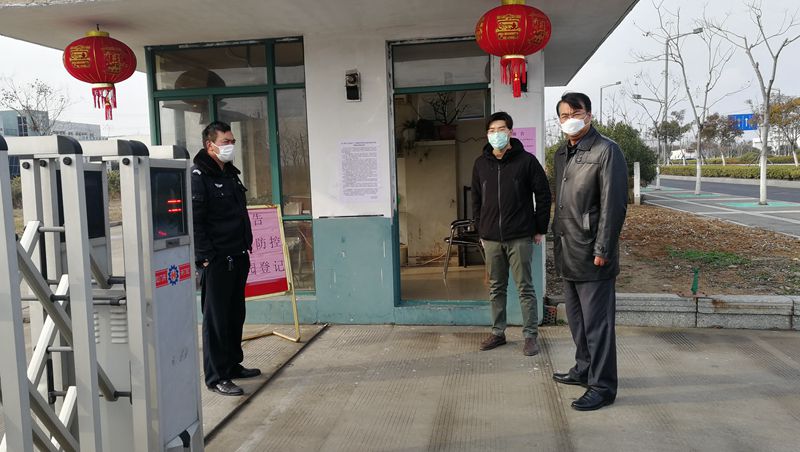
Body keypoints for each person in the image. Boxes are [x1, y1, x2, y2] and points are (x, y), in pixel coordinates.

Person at [551, 92, 628, 411]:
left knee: (598, 325)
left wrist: (603, 248)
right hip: (568, 249)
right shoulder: (562, 153)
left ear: (589, 115)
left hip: (593, 252)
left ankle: (603, 386)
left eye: (576, 113)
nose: (570, 119)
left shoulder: (606, 150)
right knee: (577, 321)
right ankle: (583, 369)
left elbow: (614, 205)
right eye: (564, 115)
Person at [472, 111, 551, 356]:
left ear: (511, 132)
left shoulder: (526, 161)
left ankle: (530, 336)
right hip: (491, 238)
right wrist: (481, 229)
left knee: (525, 287)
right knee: (496, 288)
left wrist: (539, 228)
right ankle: (498, 333)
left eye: (501, 129)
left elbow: (543, 195)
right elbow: (476, 200)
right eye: (491, 130)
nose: (496, 134)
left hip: (520, 236)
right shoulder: (480, 164)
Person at [192, 121, 260, 396]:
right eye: (225, 142)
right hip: (217, 260)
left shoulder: (230, 174)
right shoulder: (199, 177)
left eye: (233, 141)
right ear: (210, 145)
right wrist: (206, 258)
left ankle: (232, 365)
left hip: (238, 254)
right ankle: (216, 376)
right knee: (216, 320)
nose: (231, 146)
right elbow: (195, 223)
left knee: (234, 315)